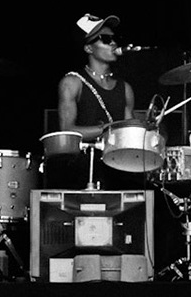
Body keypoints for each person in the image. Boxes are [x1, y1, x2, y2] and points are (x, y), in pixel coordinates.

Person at [44, 13, 139, 189]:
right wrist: (107, 129)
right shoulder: (72, 82)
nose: (113, 43)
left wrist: (147, 128)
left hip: (118, 167)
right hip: (82, 169)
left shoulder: (125, 88)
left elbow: (128, 134)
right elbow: (67, 131)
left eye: (114, 39)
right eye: (106, 39)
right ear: (88, 48)